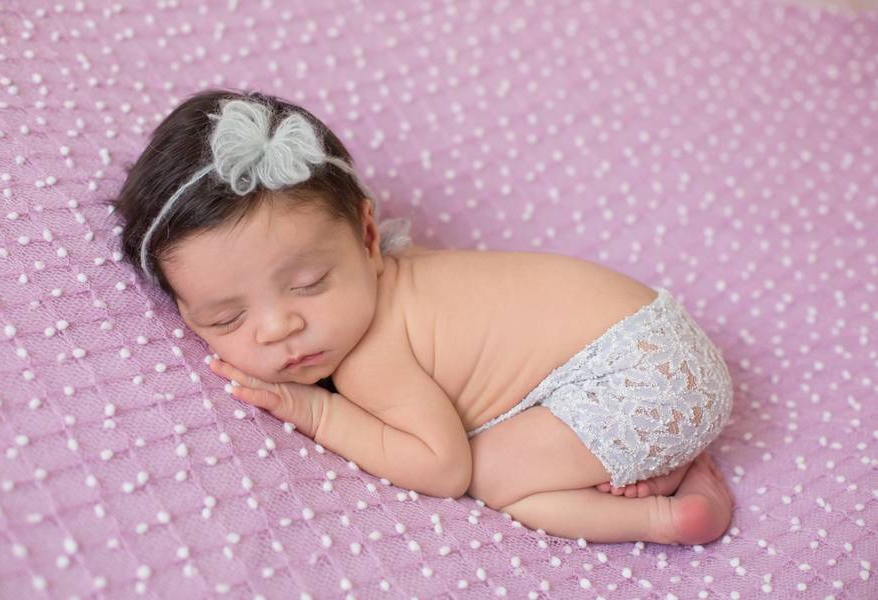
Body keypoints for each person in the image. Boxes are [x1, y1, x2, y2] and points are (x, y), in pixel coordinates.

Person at [113, 88, 734, 545]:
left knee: (490, 475)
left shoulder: (370, 357)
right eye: (225, 320)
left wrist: (316, 409)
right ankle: (658, 455)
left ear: (366, 234)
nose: (278, 328)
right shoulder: (411, 269)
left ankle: (668, 518)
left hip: (641, 378)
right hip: (660, 336)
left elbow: (443, 468)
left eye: (309, 284)